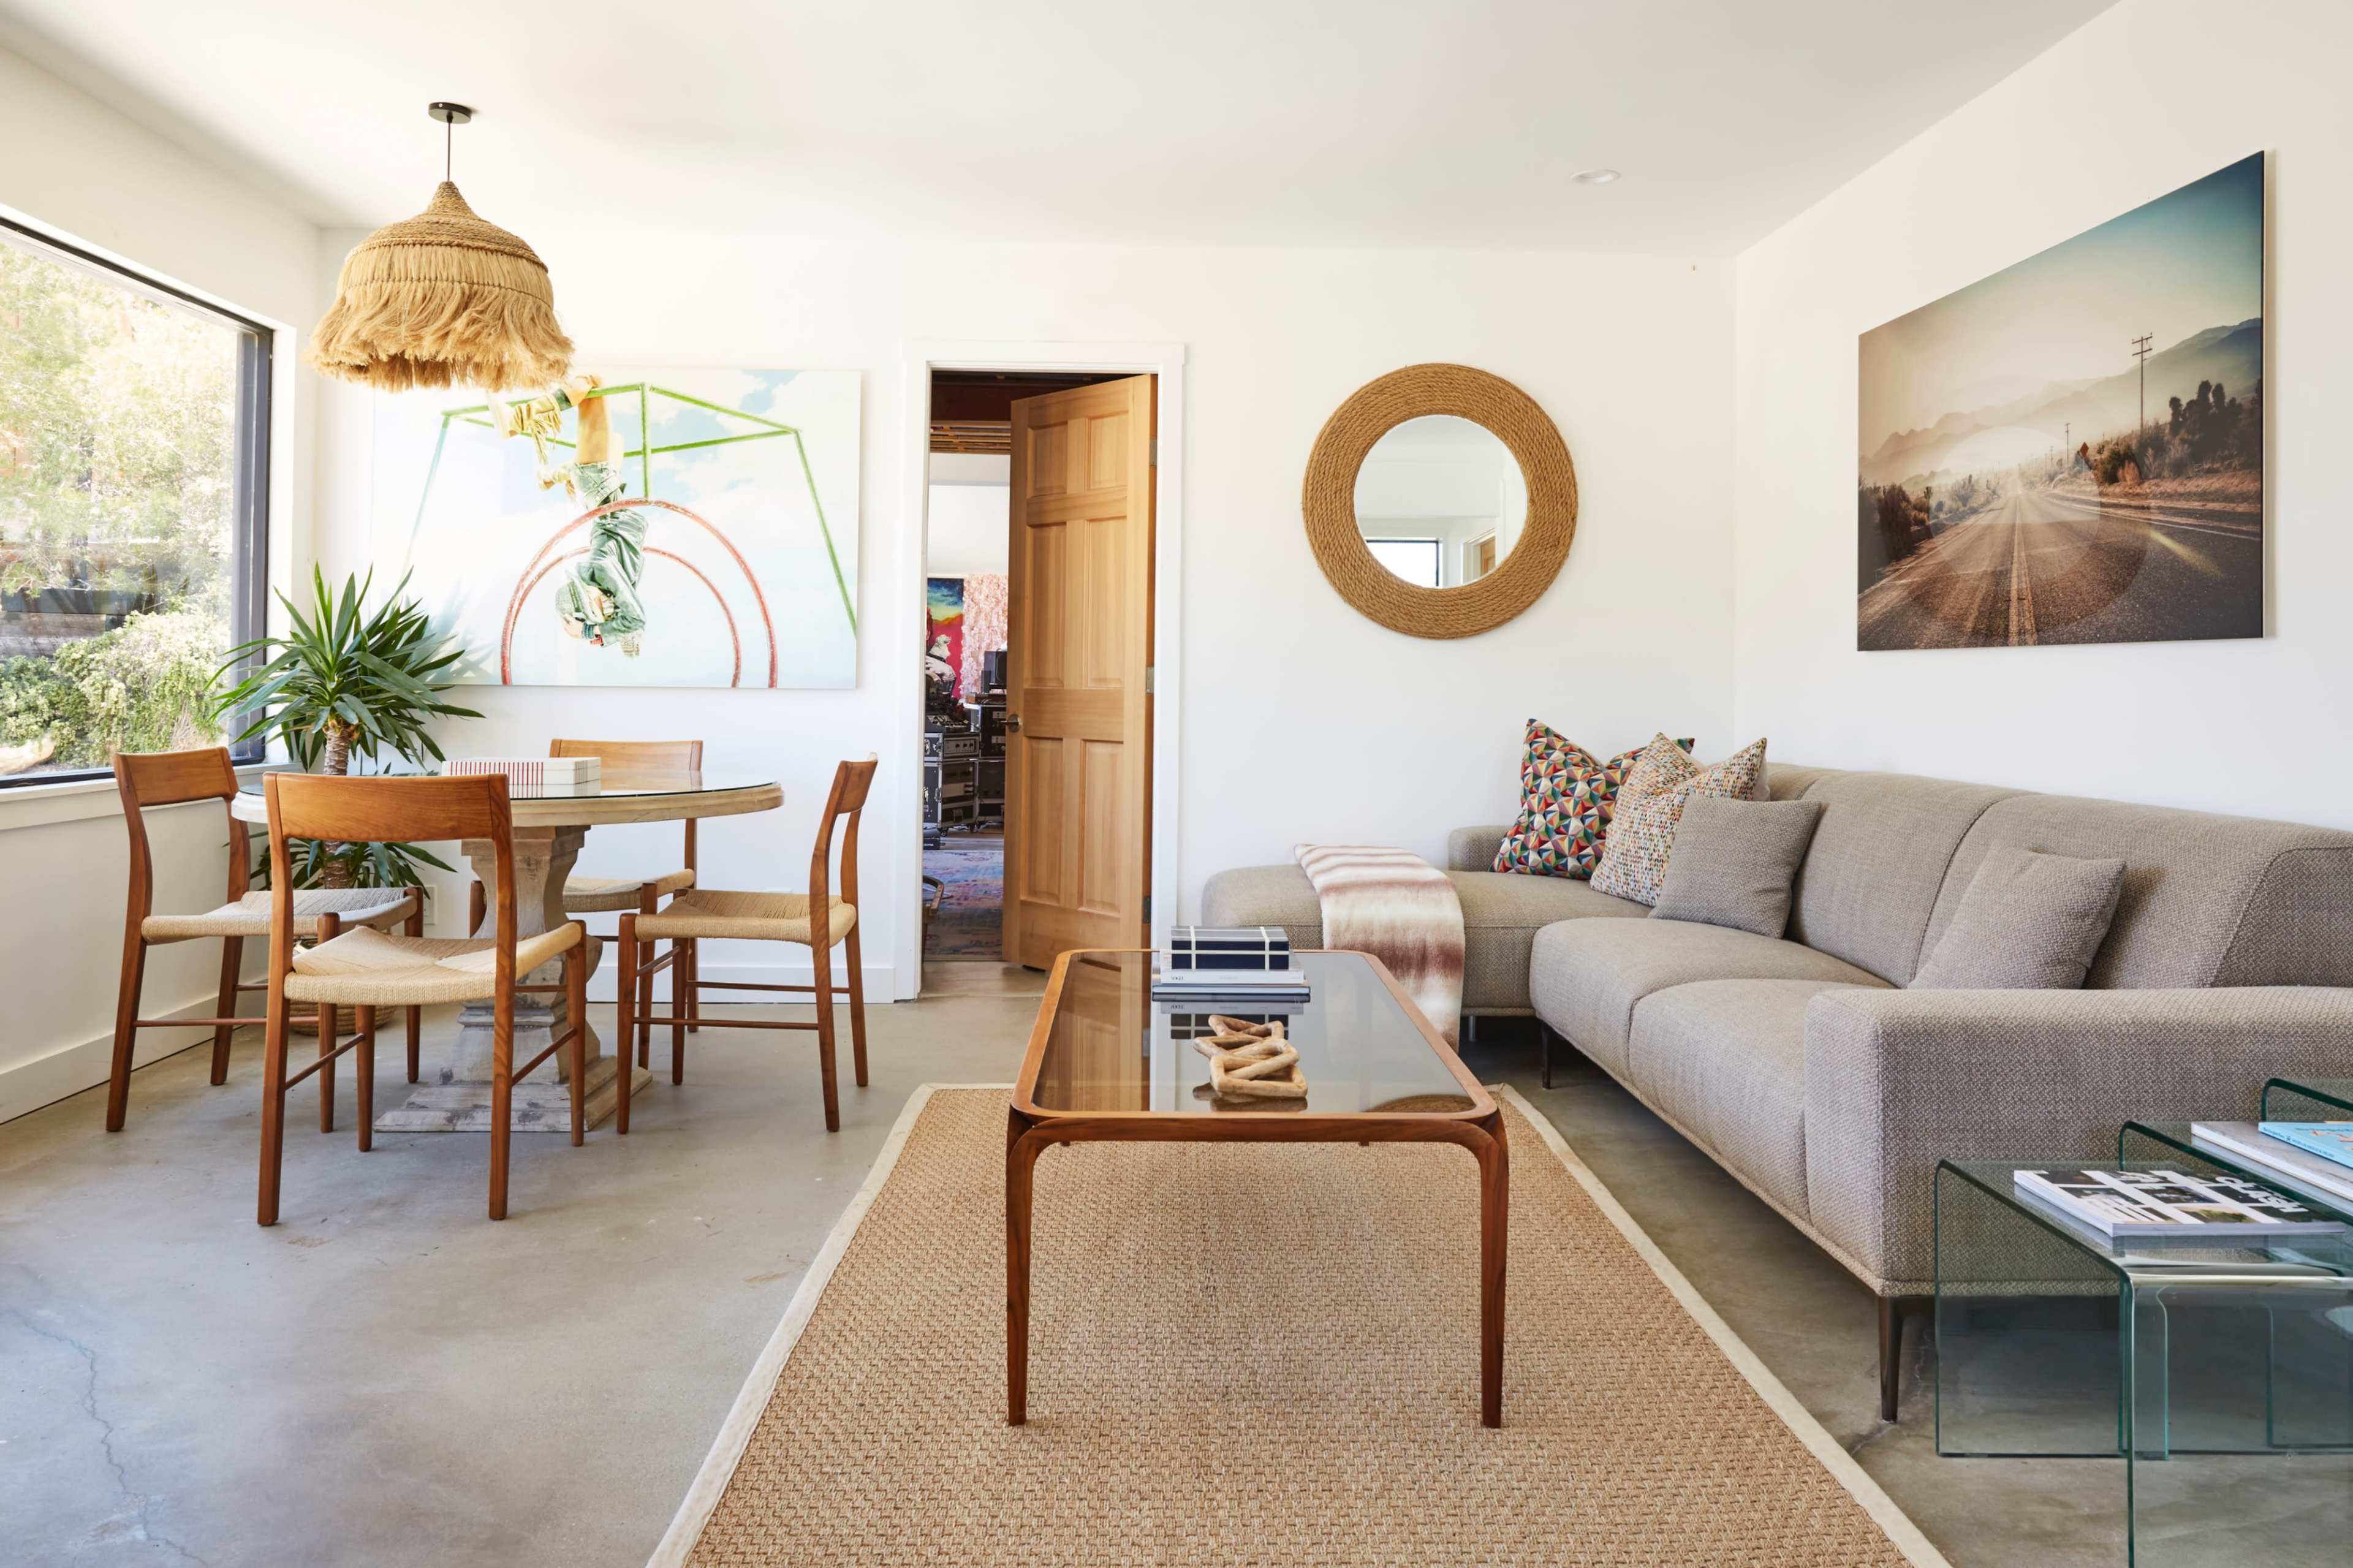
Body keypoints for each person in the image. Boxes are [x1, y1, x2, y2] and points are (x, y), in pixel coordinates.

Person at [498, 376, 648, 656]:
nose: (603, 604)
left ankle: (519, 419)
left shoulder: (601, 571)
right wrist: (605, 633)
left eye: (594, 604)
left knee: (592, 386)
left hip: (598, 482)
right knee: (617, 440)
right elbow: (633, 626)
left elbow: (635, 620)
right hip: (605, 489)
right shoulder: (613, 582)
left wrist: (592, 630)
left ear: (588, 596)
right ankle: (552, 475)